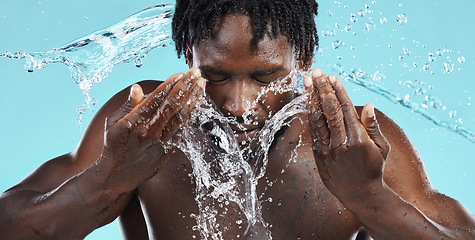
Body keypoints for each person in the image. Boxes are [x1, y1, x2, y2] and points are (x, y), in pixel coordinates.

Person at [1, 0, 474, 239]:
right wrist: (106, 180)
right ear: (189, 54)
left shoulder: (354, 141)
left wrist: (369, 197)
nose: (240, 104)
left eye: (266, 76)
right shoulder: (143, 124)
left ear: (304, 56)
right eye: (216, 75)